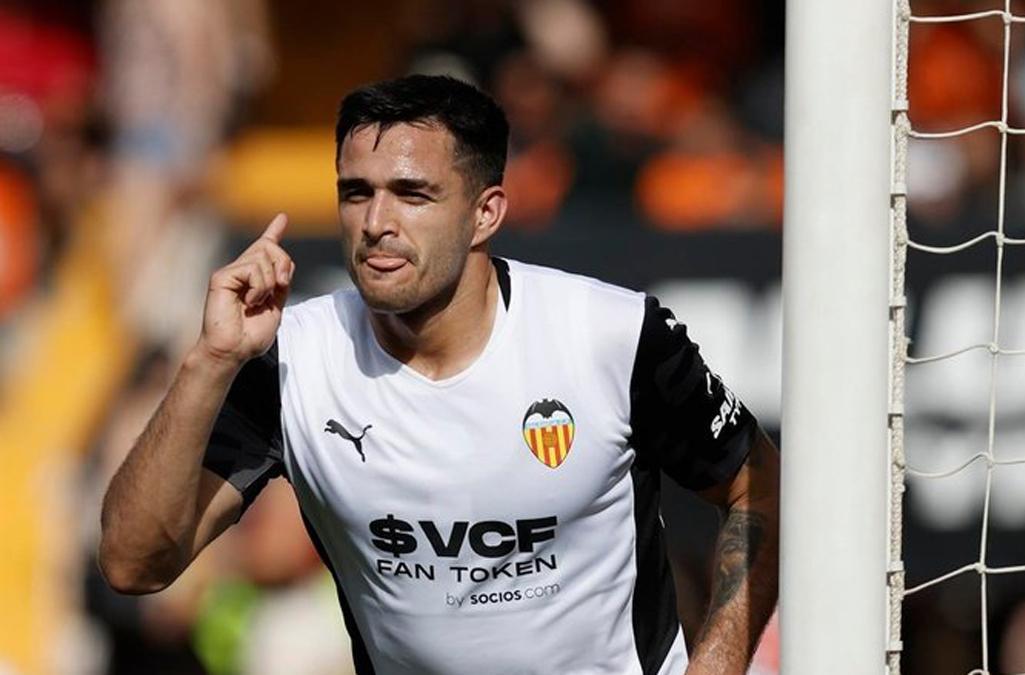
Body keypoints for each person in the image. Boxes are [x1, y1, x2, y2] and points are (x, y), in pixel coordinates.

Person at [98, 74, 780, 674]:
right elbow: (134, 563)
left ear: (486, 212)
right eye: (356, 193)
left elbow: (762, 492)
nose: (376, 222)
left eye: (412, 194)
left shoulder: (613, 334)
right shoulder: (294, 357)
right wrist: (208, 360)